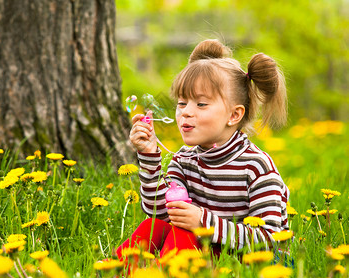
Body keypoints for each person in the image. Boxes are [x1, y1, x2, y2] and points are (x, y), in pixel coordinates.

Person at [117, 39, 290, 261]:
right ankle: (118, 276)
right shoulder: (184, 159)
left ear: (234, 115)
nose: (186, 112)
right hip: (203, 253)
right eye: (181, 103)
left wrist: (203, 222)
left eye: (201, 104)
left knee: (182, 233)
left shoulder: (256, 166)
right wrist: (149, 155)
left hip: (245, 263)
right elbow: (160, 213)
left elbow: (270, 240)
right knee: (153, 226)